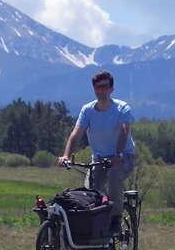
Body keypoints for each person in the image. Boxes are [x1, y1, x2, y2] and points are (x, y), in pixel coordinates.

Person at [58, 70, 137, 223]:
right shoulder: (87, 110)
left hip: (123, 156)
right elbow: (76, 134)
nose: (101, 90)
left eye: (105, 86)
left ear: (111, 89)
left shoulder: (122, 108)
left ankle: (115, 219)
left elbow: (124, 131)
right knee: (91, 190)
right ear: (94, 89)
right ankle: (96, 224)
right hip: (99, 158)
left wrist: (118, 155)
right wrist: (66, 155)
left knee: (114, 177)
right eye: (98, 87)